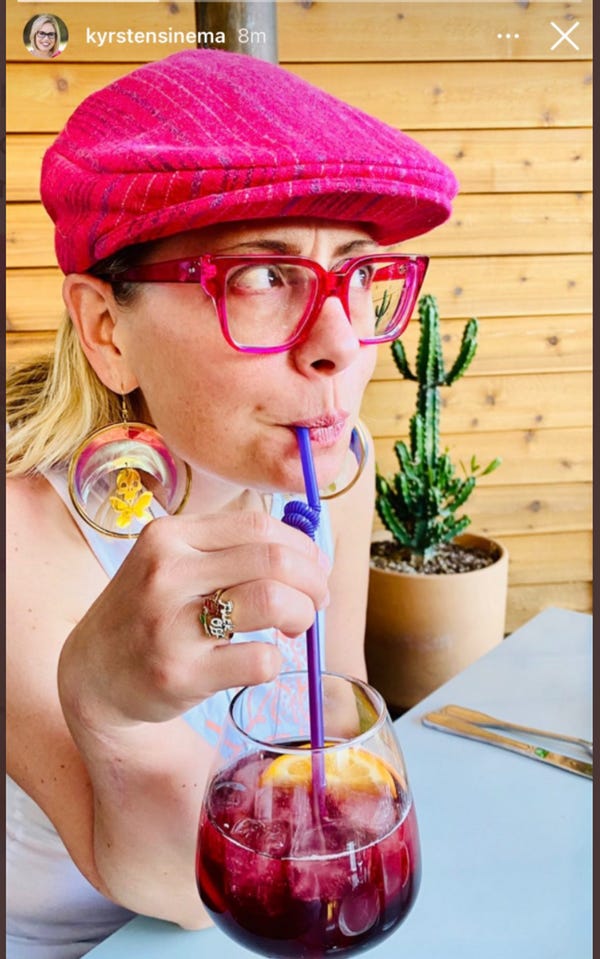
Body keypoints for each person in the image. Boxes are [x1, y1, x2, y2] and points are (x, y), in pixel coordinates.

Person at [6, 48, 457, 959]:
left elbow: (336, 706)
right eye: (261, 277)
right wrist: (108, 710)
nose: (341, 344)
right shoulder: (22, 535)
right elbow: (183, 889)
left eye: (359, 275)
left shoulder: (339, 467)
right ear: (107, 329)